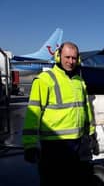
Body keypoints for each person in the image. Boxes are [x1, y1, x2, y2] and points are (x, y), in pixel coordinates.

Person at [22, 42, 98, 186]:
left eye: (74, 58)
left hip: (77, 142)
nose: (71, 61)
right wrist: (30, 144)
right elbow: (33, 113)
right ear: (58, 57)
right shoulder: (45, 79)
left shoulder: (79, 82)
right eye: (67, 57)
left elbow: (86, 109)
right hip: (54, 145)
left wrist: (91, 134)